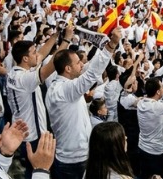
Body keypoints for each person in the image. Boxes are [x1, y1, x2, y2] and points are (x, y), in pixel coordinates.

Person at [46, 28, 119, 179]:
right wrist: (111, 45)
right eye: (78, 62)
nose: (82, 64)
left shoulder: (56, 84)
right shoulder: (66, 90)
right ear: (67, 69)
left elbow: (87, 69)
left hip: (68, 155)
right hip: (74, 161)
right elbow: (91, 74)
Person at [7, 26, 69, 178]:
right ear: (25, 59)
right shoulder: (25, 79)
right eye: (33, 52)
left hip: (24, 131)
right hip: (32, 135)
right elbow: (52, 64)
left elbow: (42, 54)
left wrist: (54, 36)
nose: (37, 54)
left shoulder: (16, 73)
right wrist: (66, 40)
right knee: (36, 170)